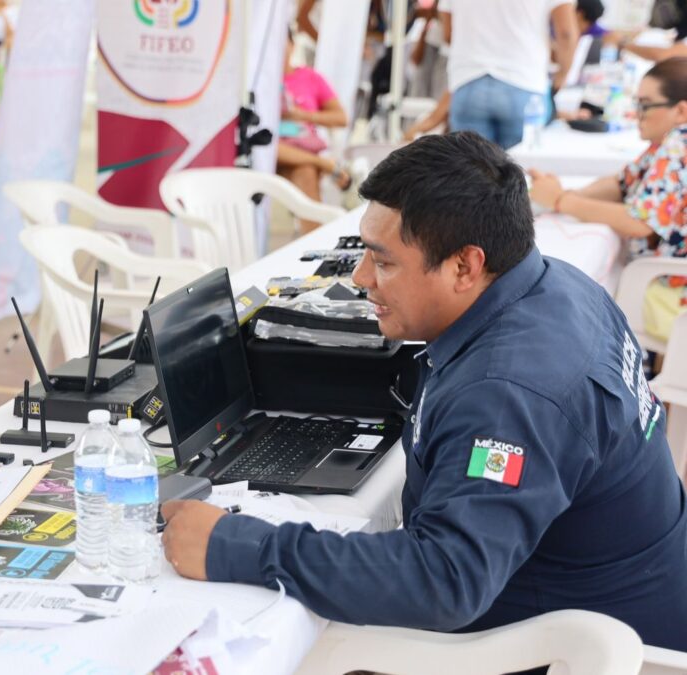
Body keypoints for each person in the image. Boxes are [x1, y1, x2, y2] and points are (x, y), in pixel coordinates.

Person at [161, 132, 687, 654]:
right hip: (613, 588)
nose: (361, 279)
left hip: (579, 643)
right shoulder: (561, 285)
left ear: (465, 266)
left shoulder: (508, 394)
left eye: (384, 262)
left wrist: (237, 546)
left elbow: (445, 582)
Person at [530, 57, 687, 341]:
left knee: (574, 309)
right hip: (667, 279)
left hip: (672, 291)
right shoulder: (665, 143)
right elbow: (622, 182)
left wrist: (561, 201)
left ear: (680, 110)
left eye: (646, 104)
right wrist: (559, 195)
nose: (637, 113)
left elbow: (640, 222)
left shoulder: (679, 142)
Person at [440, 0, 578, 148]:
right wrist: (561, 77)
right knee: (522, 165)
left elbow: (448, 34)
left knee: (469, 166)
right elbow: (566, 34)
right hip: (524, 82)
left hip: (468, 80)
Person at [276, 31, 351, 235]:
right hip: (272, 150)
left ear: (292, 44)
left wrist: (303, 115)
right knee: (278, 151)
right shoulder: (257, 80)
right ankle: (324, 165)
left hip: (299, 150)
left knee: (306, 170)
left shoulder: (309, 77)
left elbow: (341, 118)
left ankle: (314, 243)